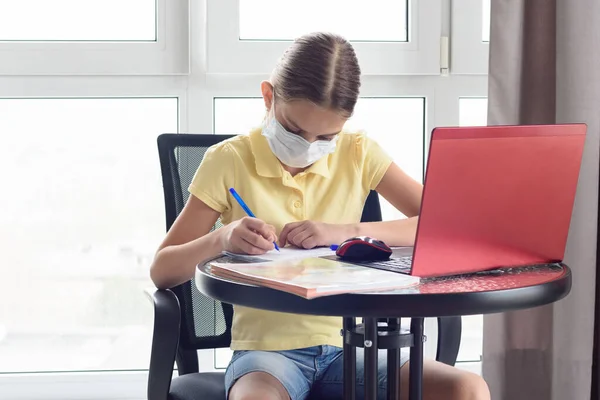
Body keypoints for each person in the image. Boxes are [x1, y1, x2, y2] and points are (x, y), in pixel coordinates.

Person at [150, 32, 490, 400]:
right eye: (294, 130)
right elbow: (163, 270)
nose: (308, 145)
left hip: (353, 346)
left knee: (466, 388)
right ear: (269, 96)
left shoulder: (359, 153)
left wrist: (345, 230)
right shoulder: (227, 160)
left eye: (327, 136)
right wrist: (222, 238)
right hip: (266, 355)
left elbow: (448, 225)